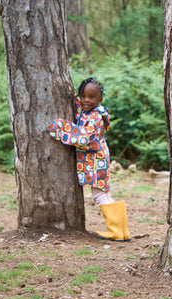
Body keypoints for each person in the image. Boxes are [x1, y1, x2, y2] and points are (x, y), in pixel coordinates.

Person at [48, 77, 131, 242]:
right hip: (96, 160)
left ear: (100, 99)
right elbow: (80, 109)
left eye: (91, 97)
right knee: (104, 193)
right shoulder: (89, 111)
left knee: (100, 194)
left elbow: (84, 138)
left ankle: (116, 231)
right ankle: (122, 232)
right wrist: (73, 98)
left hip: (96, 160)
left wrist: (61, 129)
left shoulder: (96, 117)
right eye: (83, 96)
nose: (86, 100)